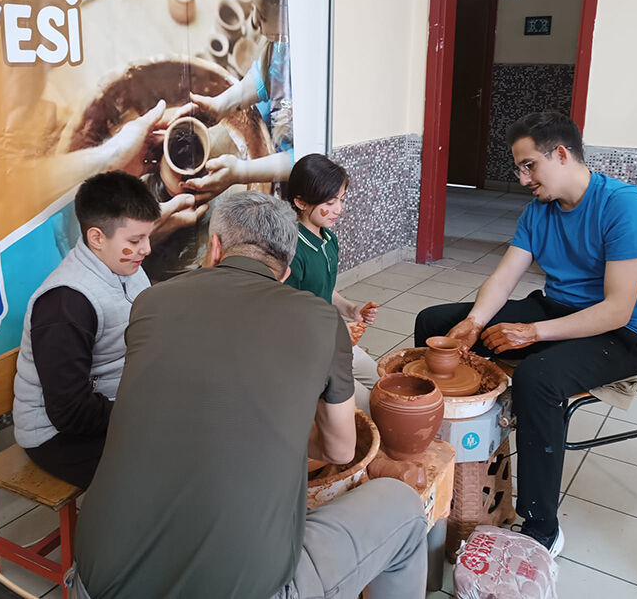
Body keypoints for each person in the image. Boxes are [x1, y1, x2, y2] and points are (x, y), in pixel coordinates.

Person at [73, 191, 428, 599]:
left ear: (215, 248)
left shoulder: (151, 301)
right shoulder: (319, 318)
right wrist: (279, 426)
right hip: (248, 588)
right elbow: (341, 449)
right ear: (286, 270)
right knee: (403, 506)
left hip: (93, 582)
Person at [414, 111, 637, 557]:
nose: (523, 178)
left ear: (562, 154)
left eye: (529, 166)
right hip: (557, 312)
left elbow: (617, 310)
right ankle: (432, 454)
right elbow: (504, 277)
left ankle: (542, 526)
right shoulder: (539, 211)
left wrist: (532, 332)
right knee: (435, 323)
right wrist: (475, 322)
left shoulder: (625, 205)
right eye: (519, 168)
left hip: (622, 335)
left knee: (538, 379)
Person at [12, 171, 161, 489]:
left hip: (119, 405)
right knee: (172, 469)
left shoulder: (127, 267)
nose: (146, 249)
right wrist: (143, 412)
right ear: (97, 238)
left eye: (147, 237)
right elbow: (70, 413)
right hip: (57, 437)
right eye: (135, 241)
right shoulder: (65, 303)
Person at [177, 0, 295, 199]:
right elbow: (265, 75)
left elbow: (304, 157)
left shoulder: (313, 70)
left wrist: (241, 172)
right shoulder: (283, 42)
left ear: (292, 9)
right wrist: (222, 104)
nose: (253, 21)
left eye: (261, 12)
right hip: (271, 125)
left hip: (295, 176)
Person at [284, 153, 380, 413]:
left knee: (384, 384)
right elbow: (286, 315)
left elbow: (323, 289)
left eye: (341, 199)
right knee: (374, 407)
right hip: (307, 349)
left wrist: (350, 309)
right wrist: (332, 332)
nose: (339, 209)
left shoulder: (328, 239)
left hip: (331, 339)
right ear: (300, 202)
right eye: (330, 202)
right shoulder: (292, 250)